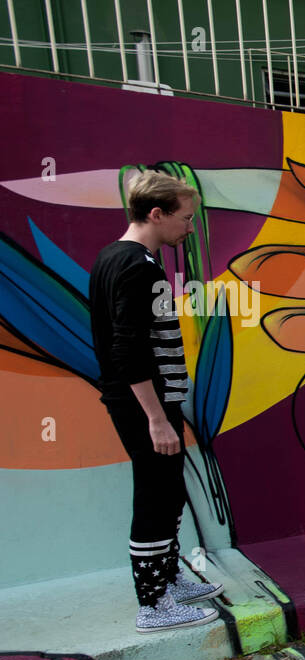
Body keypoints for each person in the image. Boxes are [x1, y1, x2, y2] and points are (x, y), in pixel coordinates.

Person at [89, 170, 222, 634]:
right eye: (185, 219)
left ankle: (169, 580)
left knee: (166, 488)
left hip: (149, 402)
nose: (189, 228)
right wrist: (156, 419)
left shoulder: (116, 257)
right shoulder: (136, 266)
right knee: (153, 492)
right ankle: (154, 604)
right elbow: (126, 351)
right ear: (156, 213)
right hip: (143, 404)